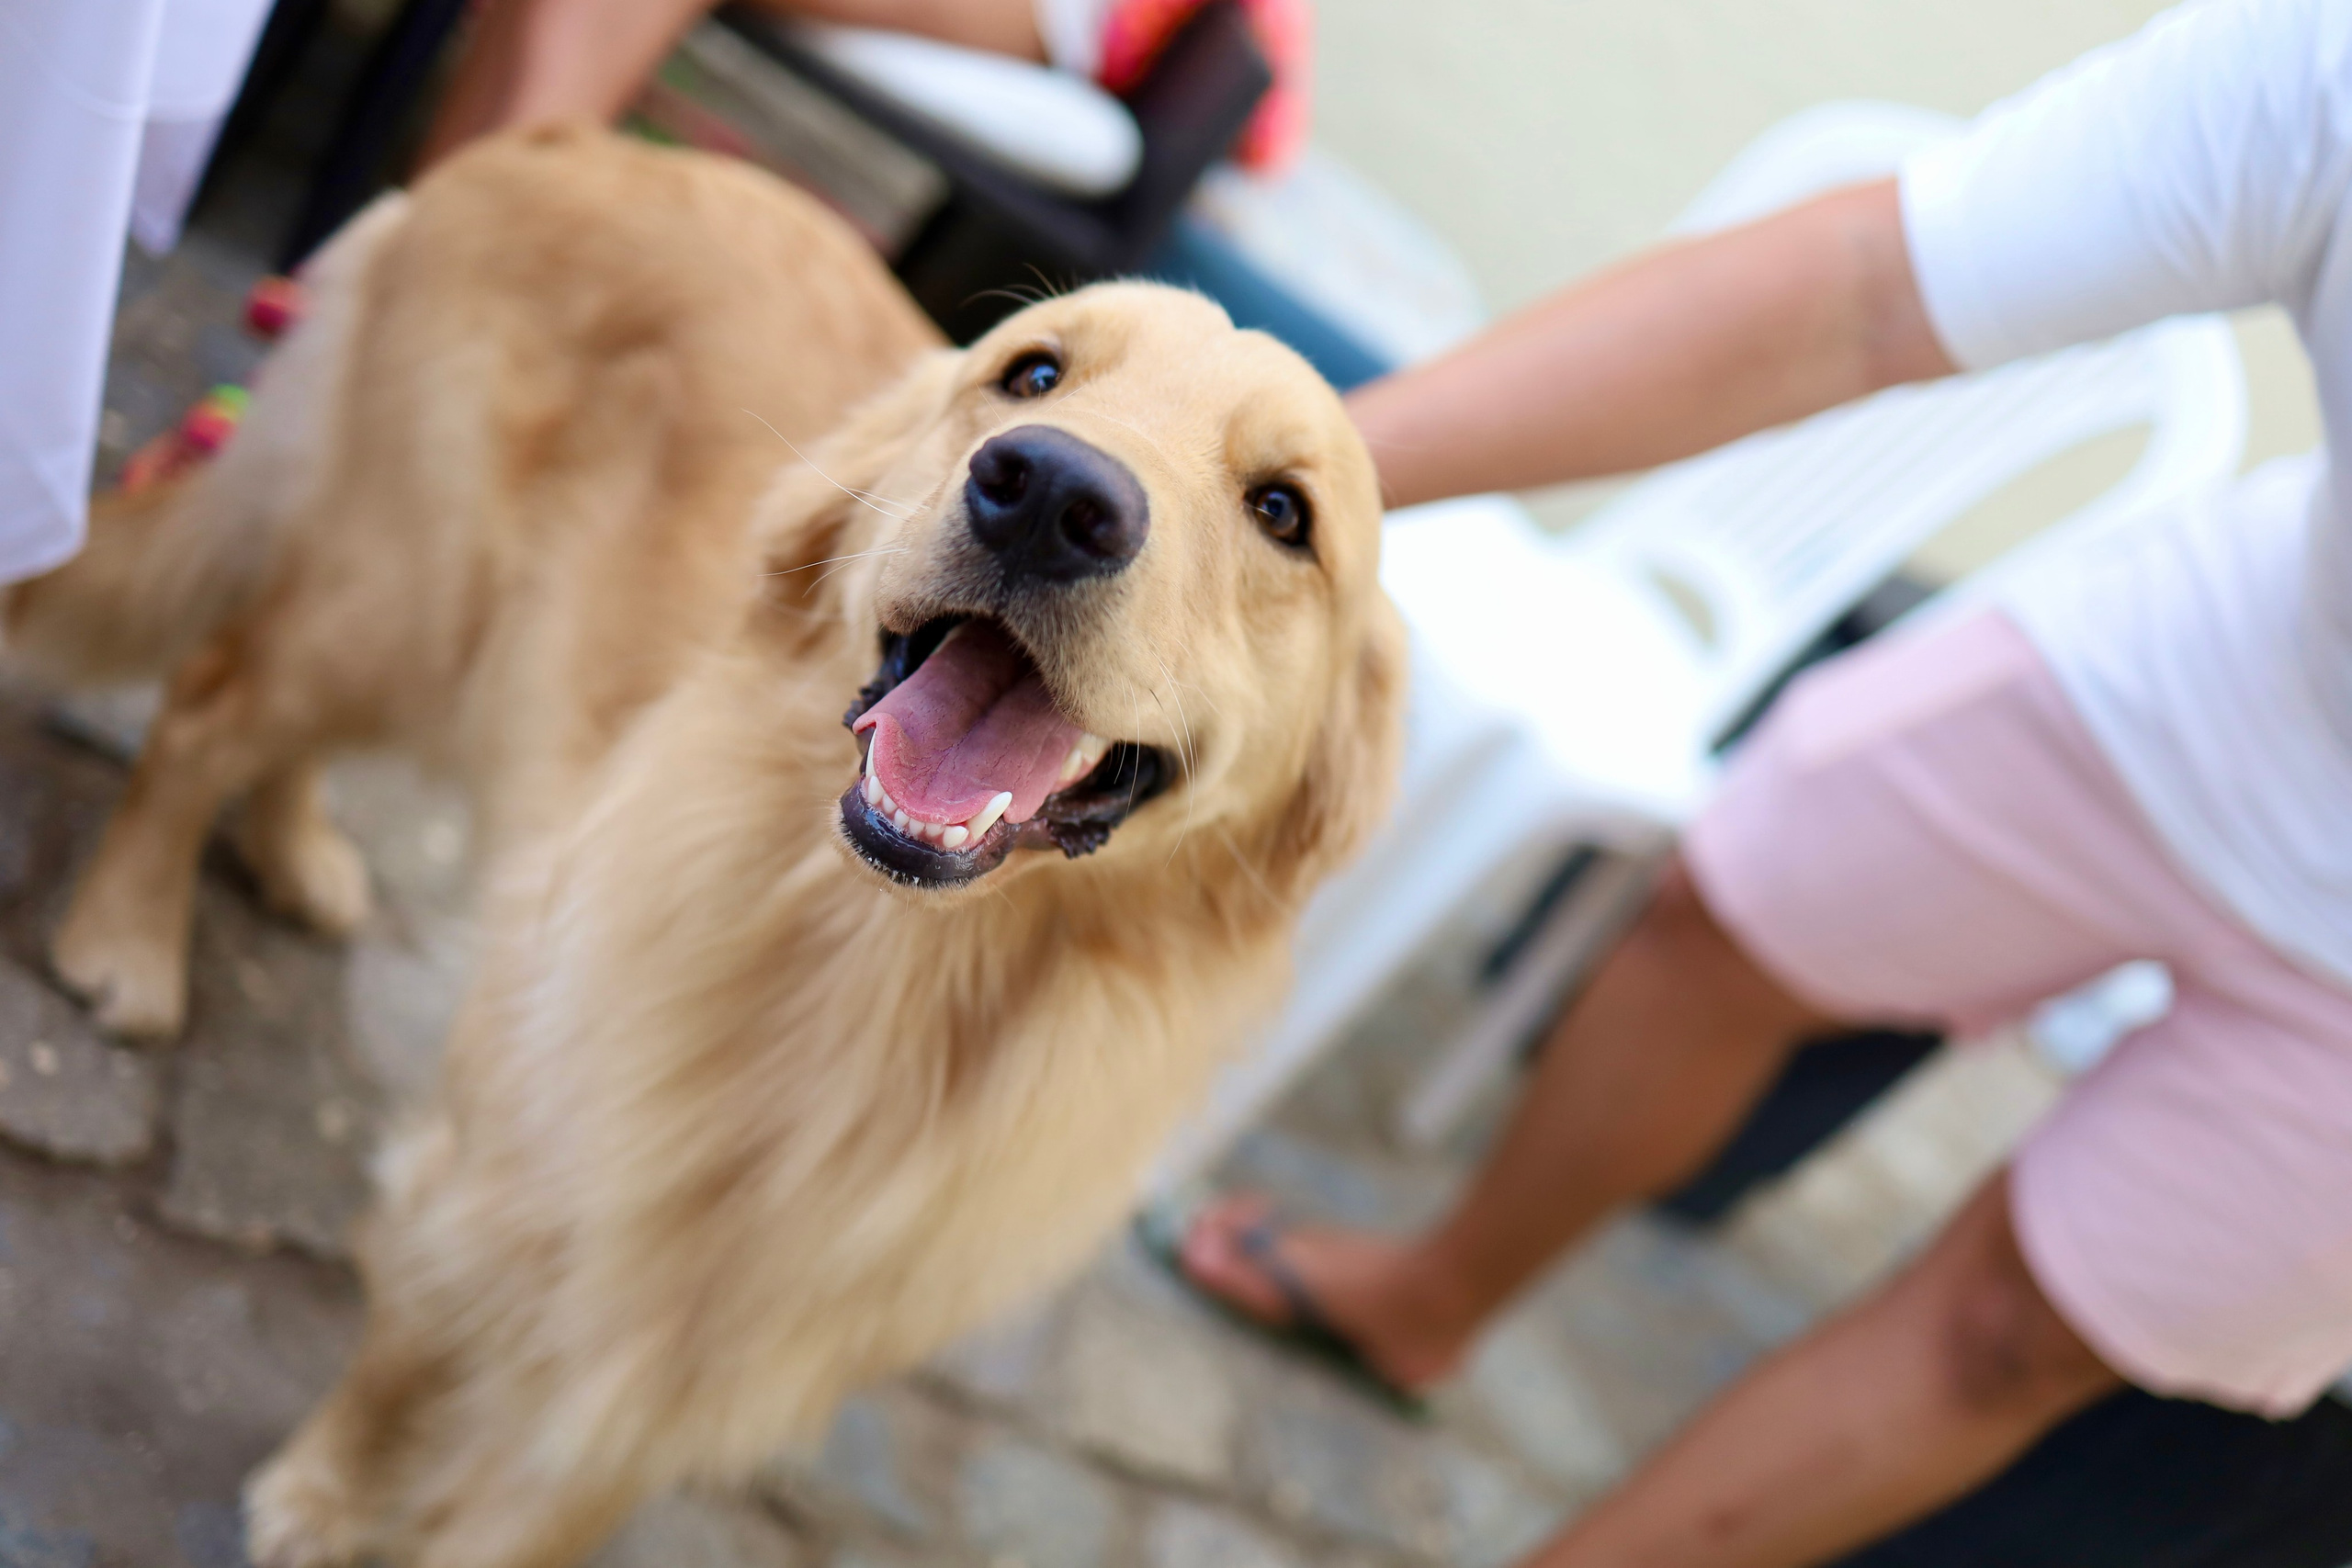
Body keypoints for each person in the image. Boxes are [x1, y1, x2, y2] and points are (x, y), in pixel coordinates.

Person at [1163, 2, 2352, 1562]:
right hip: (2232, 663)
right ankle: (1430, 1299)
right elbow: (1861, 292)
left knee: (2012, 1339)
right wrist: (1245, 490)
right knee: (1722, 915)